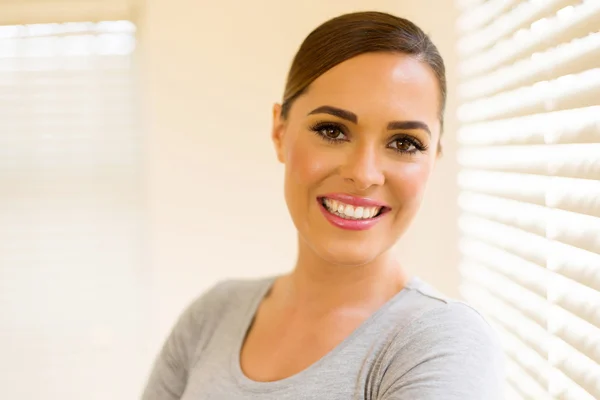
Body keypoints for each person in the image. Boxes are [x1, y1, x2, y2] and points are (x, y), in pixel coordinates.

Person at [142, 11, 505, 400]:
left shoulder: (441, 342)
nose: (364, 174)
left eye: (404, 143)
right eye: (332, 131)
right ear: (279, 131)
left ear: (434, 156)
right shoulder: (213, 315)